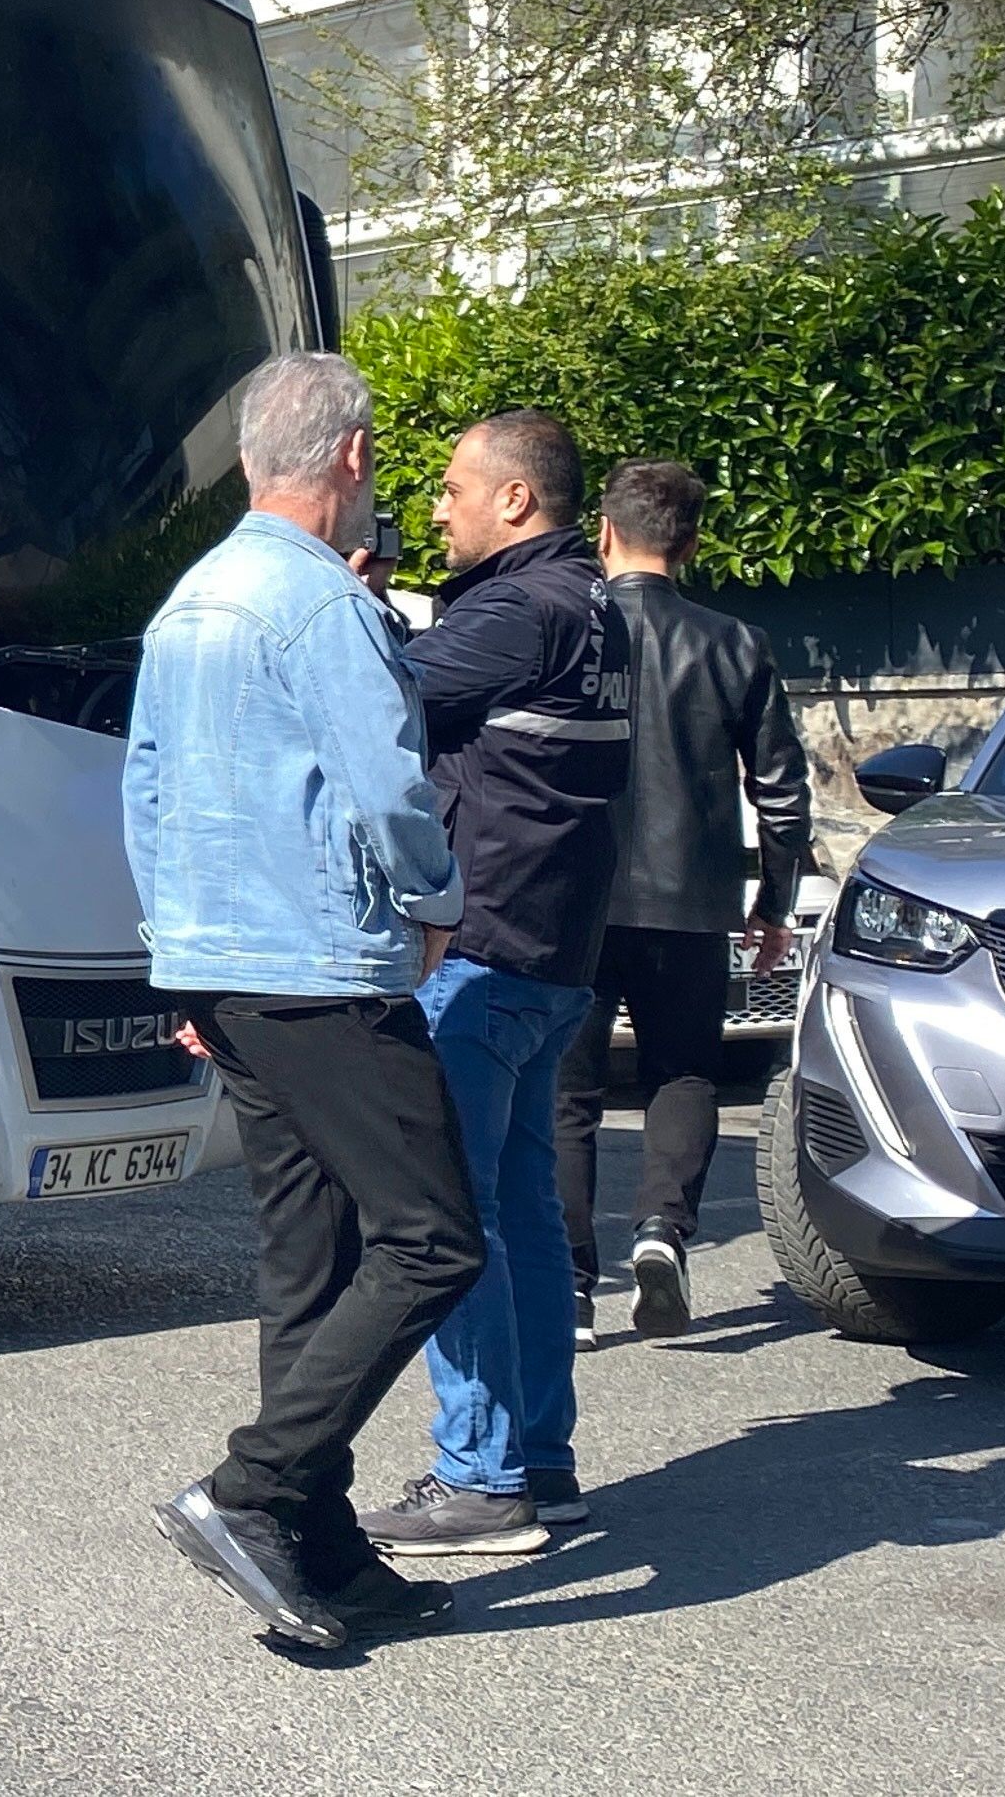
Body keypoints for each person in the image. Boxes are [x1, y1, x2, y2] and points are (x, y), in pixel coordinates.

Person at [125, 352, 481, 1654]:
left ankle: (317, 1549)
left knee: (310, 1256)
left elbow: (148, 789)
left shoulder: (191, 604)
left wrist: (179, 959)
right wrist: (436, 896)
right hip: (322, 962)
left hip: (229, 968)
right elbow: (388, 789)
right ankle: (249, 1491)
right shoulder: (320, 606)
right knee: (434, 1237)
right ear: (349, 458)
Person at [363, 409, 632, 1559]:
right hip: (558, 957)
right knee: (520, 1216)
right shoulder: (597, 604)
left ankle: (480, 1479)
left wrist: (348, 604)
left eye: (455, 488)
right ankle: (541, 1463)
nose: (437, 507)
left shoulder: (517, 610)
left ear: (517, 501)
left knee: (455, 1216)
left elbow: (375, 700)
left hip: (481, 951)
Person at [556, 460, 808, 1344]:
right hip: (692, 898)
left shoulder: (568, 632)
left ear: (604, 532)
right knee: (684, 1073)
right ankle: (663, 1230)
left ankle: (573, 1283)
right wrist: (775, 901)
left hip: (573, 896)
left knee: (567, 1093)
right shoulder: (736, 642)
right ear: (692, 544)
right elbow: (780, 787)